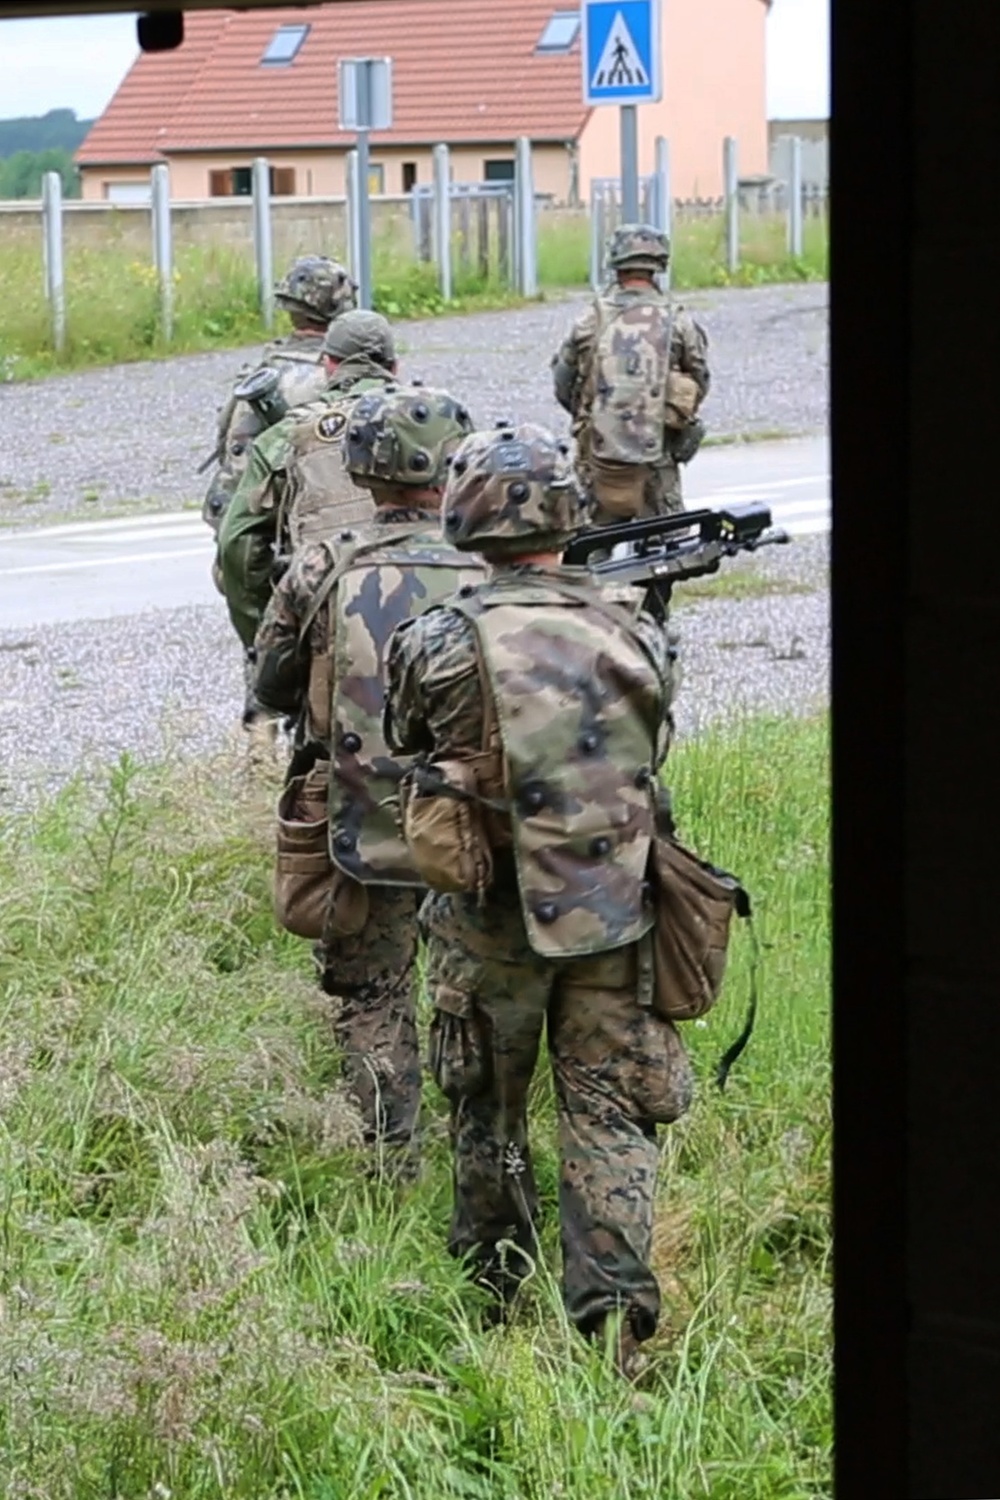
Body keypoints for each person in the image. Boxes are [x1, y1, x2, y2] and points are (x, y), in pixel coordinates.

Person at [383, 422, 691, 1376]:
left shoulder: (437, 639)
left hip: (487, 919)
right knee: (608, 1115)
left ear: (467, 517)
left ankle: (495, 1294)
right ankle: (614, 1330)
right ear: (568, 512)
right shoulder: (636, 627)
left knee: (488, 1109)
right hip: (612, 909)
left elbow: (404, 734)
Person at [250, 384, 487, 1173]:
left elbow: (274, 684)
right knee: (481, 990)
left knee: (373, 994)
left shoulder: (323, 562)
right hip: (478, 823)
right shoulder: (498, 561)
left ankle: (392, 1166)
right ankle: (486, 1156)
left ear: (362, 467)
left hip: (361, 817)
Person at [217, 309, 398, 658]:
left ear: (329, 365)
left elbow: (236, 545)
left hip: (326, 619)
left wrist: (261, 637)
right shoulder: (442, 420)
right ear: (394, 367)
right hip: (432, 609)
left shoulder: (286, 436)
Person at [551, 223, 710, 523]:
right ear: (657, 266)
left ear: (616, 265)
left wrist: (593, 415)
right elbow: (700, 381)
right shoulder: (678, 322)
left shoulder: (589, 319)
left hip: (598, 457)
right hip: (657, 456)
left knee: (590, 549)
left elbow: (563, 382)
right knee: (669, 547)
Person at [202, 254, 358, 555]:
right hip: (307, 540)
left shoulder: (260, 371)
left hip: (242, 533)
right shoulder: (334, 376)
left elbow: (226, 446)